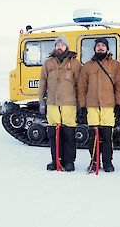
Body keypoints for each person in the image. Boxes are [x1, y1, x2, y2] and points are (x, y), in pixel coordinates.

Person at [77, 38, 120, 172]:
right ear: (95, 48)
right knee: (93, 136)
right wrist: (83, 106)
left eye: (103, 45)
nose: (100, 48)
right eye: (98, 45)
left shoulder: (114, 65)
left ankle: (107, 162)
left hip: (108, 106)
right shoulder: (87, 66)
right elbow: (81, 87)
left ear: (107, 48)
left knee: (107, 136)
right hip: (92, 106)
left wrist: (119, 104)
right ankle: (94, 161)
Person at [38, 35, 81, 171]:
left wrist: (80, 104)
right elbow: (42, 82)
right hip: (52, 103)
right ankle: (56, 160)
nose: (59, 47)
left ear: (66, 47)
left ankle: (69, 162)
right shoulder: (48, 63)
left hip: (69, 103)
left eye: (62, 45)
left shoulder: (75, 63)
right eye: (57, 45)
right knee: (53, 133)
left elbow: (80, 85)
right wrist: (41, 102)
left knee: (68, 134)